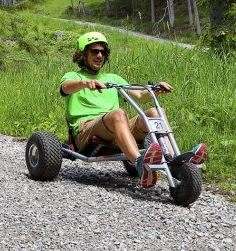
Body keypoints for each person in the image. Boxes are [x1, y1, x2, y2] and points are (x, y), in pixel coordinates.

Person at [60, 31, 174, 189]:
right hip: (86, 130)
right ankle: (140, 163)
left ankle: (172, 159)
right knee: (119, 113)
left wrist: (155, 90)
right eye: (94, 51)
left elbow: (140, 95)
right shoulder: (73, 76)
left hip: (117, 127)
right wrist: (85, 83)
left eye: (103, 52)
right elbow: (65, 88)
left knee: (156, 112)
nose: (99, 56)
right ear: (82, 55)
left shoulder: (113, 78)